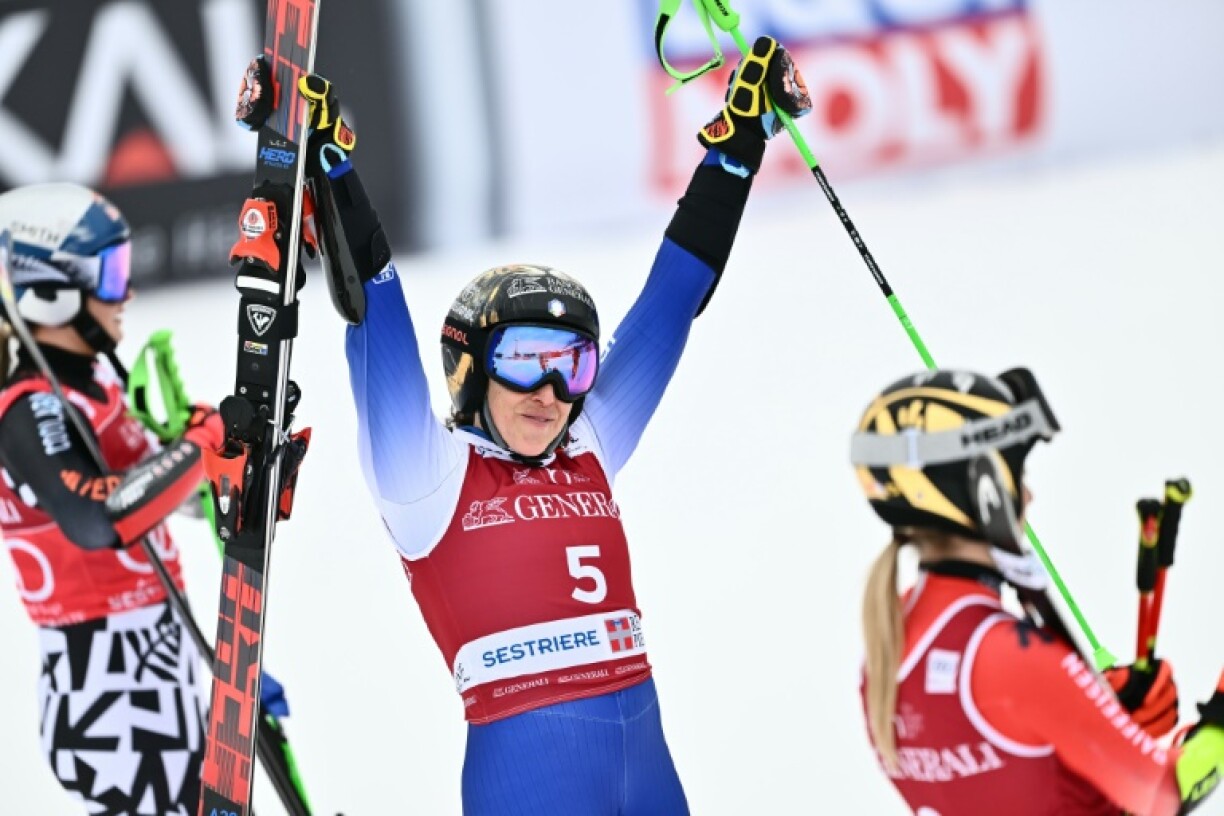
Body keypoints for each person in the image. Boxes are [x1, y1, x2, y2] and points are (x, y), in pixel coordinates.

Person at [296, 37, 810, 814]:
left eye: (573, 365)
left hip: (651, 781)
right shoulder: (425, 479)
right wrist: (333, 174)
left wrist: (739, 145)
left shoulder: (589, 448)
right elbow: (376, 311)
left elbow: (673, 297)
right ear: (469, 367)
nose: (550, 393)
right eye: (525, 360)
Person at [0, 183, 280, 815]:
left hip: (155, 663)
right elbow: (101, 517)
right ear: (48, 291)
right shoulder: (29, 409)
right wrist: (198, 445)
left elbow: (149, 494)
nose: (125, 292)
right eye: (111, 273)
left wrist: (213, 458)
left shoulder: (94, 379)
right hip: (106, 691)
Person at [850, 368, 1224, 815]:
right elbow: (1163, 796)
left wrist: (1091, 713)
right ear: (979, 485)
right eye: (1016, 474)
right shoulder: (1011, 657)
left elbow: (1005, 765)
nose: (1027, 496)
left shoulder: (887, 645)